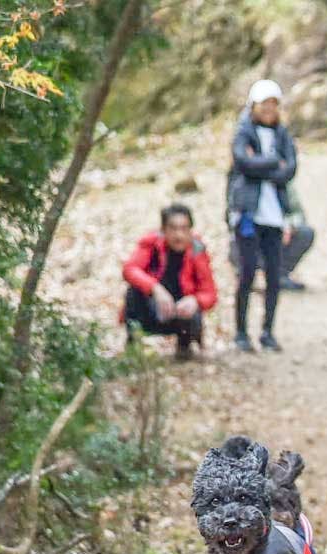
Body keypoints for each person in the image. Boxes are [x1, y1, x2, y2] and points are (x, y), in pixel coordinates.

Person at [227, 79, 297, 353]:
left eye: (273, 104)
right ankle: (241, 331)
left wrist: (260, 164)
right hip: (248, 213)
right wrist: (272, 163)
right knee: (246, 273)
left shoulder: (282, 135)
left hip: (275, 216)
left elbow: (290, 168)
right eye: (264, 104)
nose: (269, 109)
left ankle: (268, 330)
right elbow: (243, 163)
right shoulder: (243, 132)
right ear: (253, 105)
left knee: (273, 274)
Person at [120, 203, 217, 359]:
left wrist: (195, 300)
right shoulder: (151, 244)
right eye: (173, 228)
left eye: (184, 229)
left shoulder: (197, 249)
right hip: (152, 309)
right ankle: (134, 344)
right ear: (164, 229)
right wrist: (155, 289)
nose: (179, 235)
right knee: (133, 292)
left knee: (194, 310)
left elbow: (210, 293)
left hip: (181, 312)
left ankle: (185, 347)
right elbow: (130, 269)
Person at [227, 192, 313, 291]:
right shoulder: (243, 183)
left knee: (305, 232)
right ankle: (248, 276)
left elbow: (298, 214)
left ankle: (280, 274)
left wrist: (289, 226)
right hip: (250, 237)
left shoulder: (282, 183)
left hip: (276, 234)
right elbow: (233, 217)